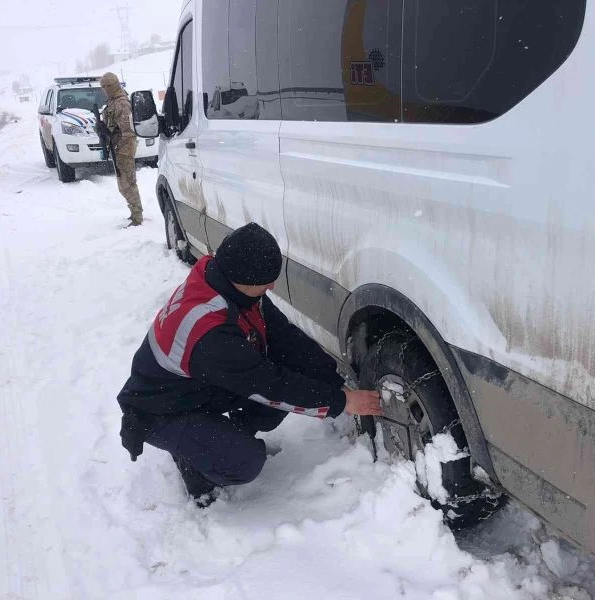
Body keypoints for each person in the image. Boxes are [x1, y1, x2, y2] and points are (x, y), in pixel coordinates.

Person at [116, 223, 383, 506]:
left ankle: (219, 436)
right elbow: (270, 386)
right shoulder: (208, 332)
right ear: (243, 277)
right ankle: (196, 462)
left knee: (286, 376)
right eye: (266, 281)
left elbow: (284, 337)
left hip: (196, 387)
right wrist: (341, 402)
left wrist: (332, 381)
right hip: (159, 410)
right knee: (246, 460)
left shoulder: (228, 283)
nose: (271, 286)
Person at [98, 72, 143, 226]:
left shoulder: (121, 103)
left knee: (128, 184)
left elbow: (128, 132)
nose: (106, 89)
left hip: (124, 148)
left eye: (109, 85)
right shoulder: (112, 102)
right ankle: (134, 213)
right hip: (118, 147)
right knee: (123, 185)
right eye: (103, 86)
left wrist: (122, 151)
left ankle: (137, 217)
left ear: (116, 84)